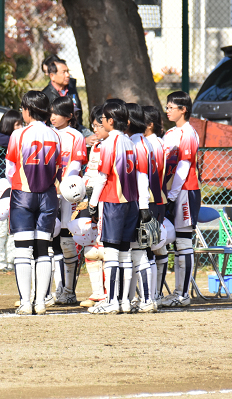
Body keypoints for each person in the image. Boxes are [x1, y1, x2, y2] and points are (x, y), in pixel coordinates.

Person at [6, 91, 62, 315]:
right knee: (43, 249)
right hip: (48, 194)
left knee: (22, 250)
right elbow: (58, 166)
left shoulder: (18, 135)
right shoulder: (55, 135)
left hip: (24, 194)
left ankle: (25, 302)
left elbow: (11, 169)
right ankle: (40, 302)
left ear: (28, 110)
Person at [87, 102, 140, 315]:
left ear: (110, 121)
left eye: (103, 119)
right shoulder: (130, 142)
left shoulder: (110, 143)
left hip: (113, 201)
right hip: (131, 202)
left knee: (110, 252)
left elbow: (102, 177)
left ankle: (111, 300)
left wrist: (92, 204)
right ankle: (125, 301)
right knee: (126, 253)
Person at [160, 91, 201, 307]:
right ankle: (173, 292)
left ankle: (183, 294)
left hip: (185, 190)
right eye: (167, 107)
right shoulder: (169, 133)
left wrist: (173, 195)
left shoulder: (188, 133)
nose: (167, 110)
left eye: (171, 107)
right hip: (170, 192)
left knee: (184, 241)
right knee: (173, 242)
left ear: (183, 109)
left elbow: (184, 166)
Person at [49, 96, 88, 305]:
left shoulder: (75, 136)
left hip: (66, 194)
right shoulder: (48, 133)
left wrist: (64, 185)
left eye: (58, 113)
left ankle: (70, 290)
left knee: (66, 240)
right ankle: (57, 290)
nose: (53, 117)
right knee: (52, 241)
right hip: (49, 193)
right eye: (51, 112)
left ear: (69, 116)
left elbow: (75, 164)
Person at [125, 103, 157, 313]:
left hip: (140, 201)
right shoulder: (148, 142)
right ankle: (147, 298)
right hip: (149, 199)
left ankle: (146, 299)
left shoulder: (135, 144)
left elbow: (141, 176)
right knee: (144, 252)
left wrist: (143, 206)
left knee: (139, 252)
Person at [79, 105, 109, 308]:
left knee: (107, 249)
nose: (95, 130)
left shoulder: (114, 145)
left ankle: (111, 293)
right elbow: (91, 172)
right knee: (90, 248)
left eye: (98, 125)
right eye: (93, 125)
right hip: (93, 201)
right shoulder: (96, 146)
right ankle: (98, 293)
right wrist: (81, 187)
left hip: (109, 202)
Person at [0, 109, 24, 271]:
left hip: (12, 189)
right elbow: (0, 140)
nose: (21, 128)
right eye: (18, 124)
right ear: (9, 124)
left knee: (13, 227)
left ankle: (11, 260)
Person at [41, 56, 96, 146]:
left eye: (68, 71)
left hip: (77, 127)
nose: (67, 75)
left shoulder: (71, 89)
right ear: (52, 76)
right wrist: (83, 140)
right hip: (60, 135)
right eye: (63, 72)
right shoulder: (46, 96)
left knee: (97, 139)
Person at [142, 105, 167, 305]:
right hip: (158, 199)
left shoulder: (148, 143)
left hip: (151, 200)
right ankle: (154, 295)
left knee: (148, 249)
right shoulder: (158, 142)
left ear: (149, 124)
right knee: (154, 248)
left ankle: (150, 296)